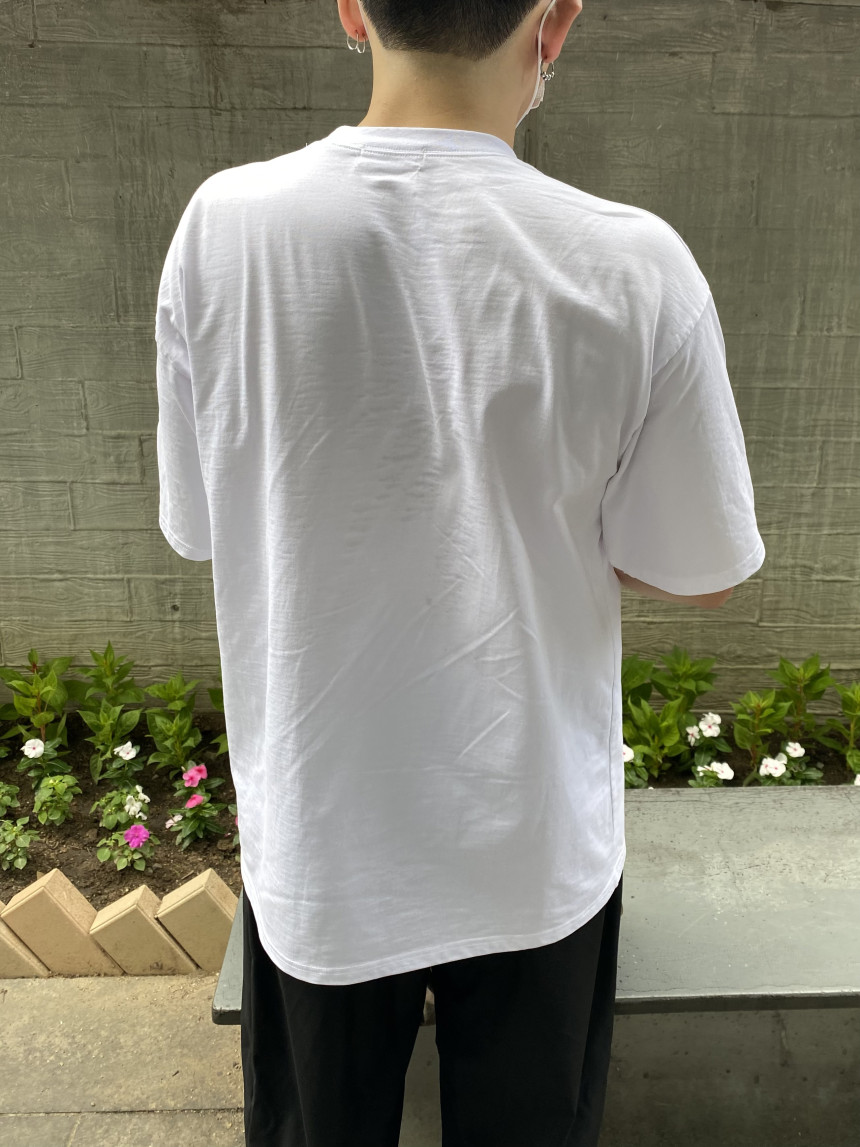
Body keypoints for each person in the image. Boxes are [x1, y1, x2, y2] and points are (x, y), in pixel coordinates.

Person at [154, 0, 766, 1142]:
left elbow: (205, 522)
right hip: (532, 843)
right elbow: (701, 569)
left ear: (351, 8)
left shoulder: (222, 229)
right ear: (555, 22)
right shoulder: (636, 265)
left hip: (323, 842)